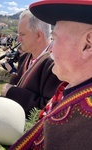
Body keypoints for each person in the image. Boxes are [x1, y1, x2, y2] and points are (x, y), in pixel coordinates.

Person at [9, 0, 92, 150]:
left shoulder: (85, 120)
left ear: (88, 44)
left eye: (54, 39)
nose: (51, 49)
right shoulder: (76, 94)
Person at [1, 9, 61, 118]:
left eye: (22, 34)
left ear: (39, 35)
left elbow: (48, 107)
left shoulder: (55, 64)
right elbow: (21, 84)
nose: (18, 39)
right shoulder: (24, 57)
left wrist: (12, 92)